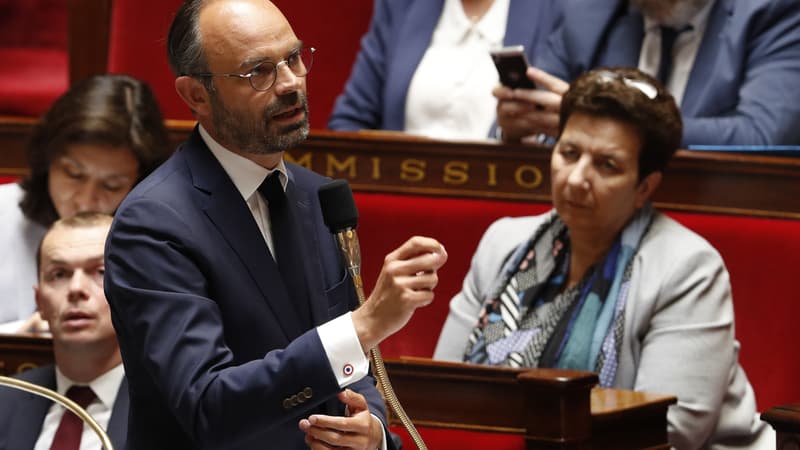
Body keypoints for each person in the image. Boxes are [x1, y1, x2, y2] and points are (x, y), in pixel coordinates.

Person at [103, 0, 447, 449]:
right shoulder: (152, 224)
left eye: (294, 58)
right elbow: (207, 403)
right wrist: (364, 325)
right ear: (196, 96)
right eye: (258, 72)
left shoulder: (316, 198)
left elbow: (354, 369)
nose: (289, 84)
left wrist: (370, 431)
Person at [433, 67, 772, 449]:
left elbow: (671, 432)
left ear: (645, 186)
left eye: (606, 165)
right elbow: (447, 393)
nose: (576, 178)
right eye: (569, 152)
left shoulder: (687, 267)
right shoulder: (504, 242)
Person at [494, 0, 800, 147]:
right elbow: (538, 110)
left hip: (711, 213)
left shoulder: (773, 11)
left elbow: (761, 135)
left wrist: (609, 125)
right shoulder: (588, 14)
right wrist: (518, 128)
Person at [0, 74, 171, 328]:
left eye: (111, 185)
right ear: (47, 161)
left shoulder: (158, 239)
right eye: (73, 174)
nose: (86, 200)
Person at [328, 0, 559, 141]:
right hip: (402, 193)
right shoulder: (400, 4)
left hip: (504, 196)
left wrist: (514, 137)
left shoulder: (561, 9)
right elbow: (348, 123)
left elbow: (569, 130)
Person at [0, 213, 129, 450]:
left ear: (130, 293)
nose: (76, 289)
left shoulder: (170, 405)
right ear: (39, 301)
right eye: (59, 274)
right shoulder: (5, 398)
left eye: (100, 272)